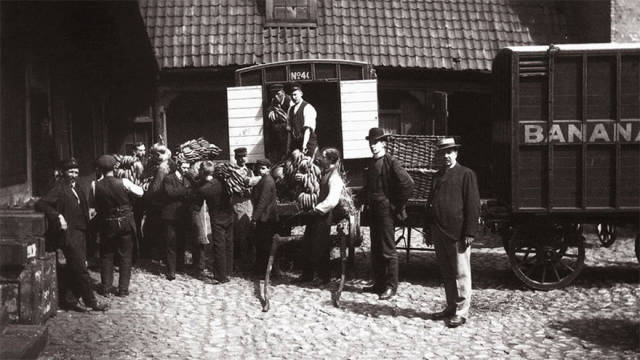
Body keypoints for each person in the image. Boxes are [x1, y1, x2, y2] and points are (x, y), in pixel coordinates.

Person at [35, 158, 109, 312]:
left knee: (74, 267)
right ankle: (91, 302)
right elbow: (41, 203)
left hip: (81, 232)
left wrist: (89, 212)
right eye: (70, 171)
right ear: (64, 173)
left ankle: (69, 299)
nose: (74, 174)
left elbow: (81, 206)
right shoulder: (59, 188)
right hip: (70, 234)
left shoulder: (78, 187)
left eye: (76, 171)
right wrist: (57, 216)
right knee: (81, 269)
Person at [427, 137, 480, 328]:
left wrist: (470, 232)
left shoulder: (466, 174)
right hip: (439, 231)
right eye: (443, 153)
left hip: (457, 234)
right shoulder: (437, 176)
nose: (446, 156)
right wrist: (428, 229)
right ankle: (450, 307)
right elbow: (430, 203)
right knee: (447, 273)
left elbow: (473, 205)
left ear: (456, 153)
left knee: (461, 273)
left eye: (450, 152)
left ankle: (461, 312)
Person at [361, 128, 414, 300]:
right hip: (373, 211)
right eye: (371, 142)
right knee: (376, 248)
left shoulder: (391, 162)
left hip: (386, 212)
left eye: (376, 142)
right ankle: (379, 283)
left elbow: (408, 184)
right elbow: (368, 187)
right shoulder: (370, 164)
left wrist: (395, 205)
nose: (373, 146)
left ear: (383, 143)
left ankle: (391, 286)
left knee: (388, 250)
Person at [94, 155, 144, 297]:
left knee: (106, 255)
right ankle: (123, 289)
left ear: (100, 169)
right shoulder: (124, 182)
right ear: (115, 168)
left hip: (107, 223)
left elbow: (93, 204)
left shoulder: (95, 185)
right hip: (125, 222)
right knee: (125, 255)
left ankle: (106, 288)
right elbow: (140, 193)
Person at [294, 147, 345, 285]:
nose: (321, 159)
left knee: (321, 246)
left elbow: (332, 200)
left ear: (330, 159)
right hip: (316, 214)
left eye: (323, 157)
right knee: (308, 243)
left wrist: (317, 209)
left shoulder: (335, 177)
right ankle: (307, 275)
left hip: (323, 215)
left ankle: (324, 277)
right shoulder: (325, 172)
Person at [193, 161, 235, 283]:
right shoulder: (223, 181)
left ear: (202, 172)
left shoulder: (204, 188)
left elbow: (196, 206)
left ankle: (221, 276)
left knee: (219, 246)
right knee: (229, 244)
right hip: (229, 214)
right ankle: (228, 271)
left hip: (217, 218)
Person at [161, 159, 194, 280]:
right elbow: (170, 193)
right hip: (170, 216)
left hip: (183, 216)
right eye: (184, 167)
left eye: (187, 167)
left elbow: (191, 193)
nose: (186, 170)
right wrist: (185, 190)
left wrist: (185, 191)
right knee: (171, 243)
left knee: (181, 242)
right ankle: (171, 271)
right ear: (178, 166)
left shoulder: (187, 179)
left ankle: (180, 267)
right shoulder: (168, 178)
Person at [251, 159, 278, 276]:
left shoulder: (267, 181)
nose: (260, 170)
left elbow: (263, 201)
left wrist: (254, 218)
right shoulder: (263, 180)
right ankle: (261, 270)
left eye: (263, 168)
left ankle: (266, 272)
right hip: (265, 217)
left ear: (268, 169)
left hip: (267, 217)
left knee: (265, 245)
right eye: (259, 168)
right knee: (262, 244)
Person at [231, 147, 259, 262]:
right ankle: (241, 261)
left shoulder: (249, 171)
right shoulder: (233, 172)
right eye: (240, 157)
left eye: (244, 156)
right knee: (240, 232)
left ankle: (250, 259)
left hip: (249, 204)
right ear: (236, 158)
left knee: (250, 231)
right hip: (238, 203)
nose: (243, 159)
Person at [288, 85, 318, 156]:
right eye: (291, 95)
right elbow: (289, 130)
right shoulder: (290, 109)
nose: (293, 97)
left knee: (314, 163)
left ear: (301, 94)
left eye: (295, 95)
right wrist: (288, 147)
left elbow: (307, 129)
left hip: (308, 143)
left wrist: (304, 145)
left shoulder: (308, 108)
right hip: (296, 143)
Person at [131, 142, 149, 261]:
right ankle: (137, 252)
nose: (143, 152)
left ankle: (142, 251)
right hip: (134, 197)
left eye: (144, 150)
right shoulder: (132, 163)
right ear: (134, 151)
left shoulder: (145, 162)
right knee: (136, 224)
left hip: (143, 197)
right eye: (140, 150)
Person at [265, 83, 292, 162]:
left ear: (283, 93)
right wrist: (270, 112)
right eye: (274, 94)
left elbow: (290, 117)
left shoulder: (289, 101)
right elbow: (270, 109)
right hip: (278, 132)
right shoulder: (274, 101)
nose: (276, 96)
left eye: (278, 94)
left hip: (288, 131)